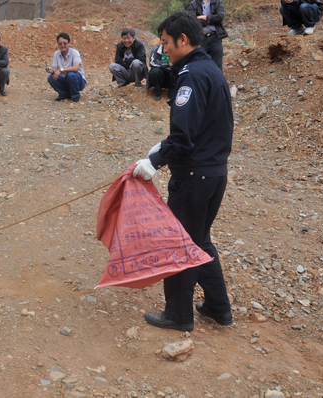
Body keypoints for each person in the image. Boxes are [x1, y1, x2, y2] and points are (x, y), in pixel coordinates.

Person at [132, 11, 234, 332]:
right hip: (215, 173)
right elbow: (204, 128)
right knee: (199, 240)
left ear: (183, 40)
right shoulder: (211, 71)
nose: (163, 50)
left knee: (178, 244)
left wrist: (154, 161)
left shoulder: (191, 75)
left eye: (165, 43)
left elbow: (184, 135)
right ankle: (218, 307)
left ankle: (178, 314)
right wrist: (161, 150)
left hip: (194, 178)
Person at [188, 0, 227, 70]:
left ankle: (217, 81)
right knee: (200, 65)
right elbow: (192, 21)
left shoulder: (217, 2)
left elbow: (220, 17)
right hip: (200, 40)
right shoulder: (193, 4)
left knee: (217, 66)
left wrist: (204, 17)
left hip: (215, 38)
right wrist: (209, 20)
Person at [47, 32, 86, 102]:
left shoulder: (75, 53)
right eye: (60, 43)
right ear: (58, 44)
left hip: (78, 81)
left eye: (65, 43)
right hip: (65, 80)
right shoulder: (56, 54)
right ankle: (64, 94)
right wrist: (51, 70)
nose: (62, 45)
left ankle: (75, 95)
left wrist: (61, 70)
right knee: (50, 77)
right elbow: (55, 69)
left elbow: (76, 68)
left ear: (69, 43)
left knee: (71, 74)